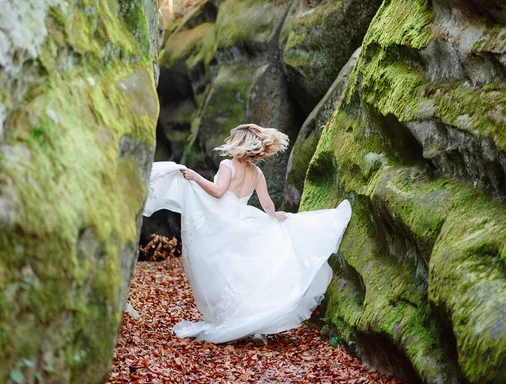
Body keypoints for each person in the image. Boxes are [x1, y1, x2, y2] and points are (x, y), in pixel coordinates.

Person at [143, 123, 351, 345]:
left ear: (238, 143)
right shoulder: (257, 173)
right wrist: (275, 216)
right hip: (245, 220)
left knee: (225, 271)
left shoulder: (227, 165)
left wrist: (195, 177)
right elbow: (267, 203)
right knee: (247, 272)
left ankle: (238, 321)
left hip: (222, 221)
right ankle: (256, 326)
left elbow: (217, 191)